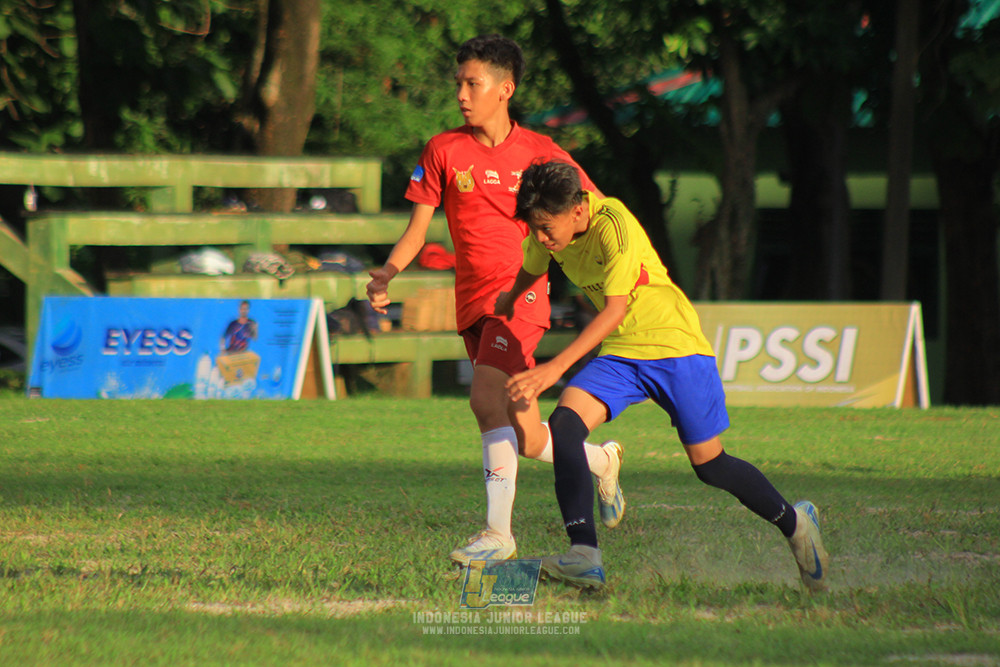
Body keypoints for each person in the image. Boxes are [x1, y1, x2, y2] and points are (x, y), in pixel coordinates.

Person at [495, 159, 829, 592]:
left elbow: (614, 310)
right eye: (534, 227)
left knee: (710, 465)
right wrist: (509, 300)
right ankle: (584, 554)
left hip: (676, 347)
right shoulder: (550, 233)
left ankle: (797, 524)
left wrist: (556, 366)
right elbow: (534, 265)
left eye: (545, 227)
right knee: (565, 424)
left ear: (577, 210)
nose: (541, 237)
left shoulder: (613, 224)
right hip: (622, 353)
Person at [365, 35, 625, 568]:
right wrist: (389, 271)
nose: (461, 94)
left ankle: (498, 534)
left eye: (473, 83)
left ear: (505, 89)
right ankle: (601, 462)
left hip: (519, 297)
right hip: (471, 304)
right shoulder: (443, 149)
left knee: (485, 400)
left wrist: (616, 274)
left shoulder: (541, 153)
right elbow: (417, 230)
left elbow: (596, 210)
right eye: (458, 83)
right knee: (525, 436)